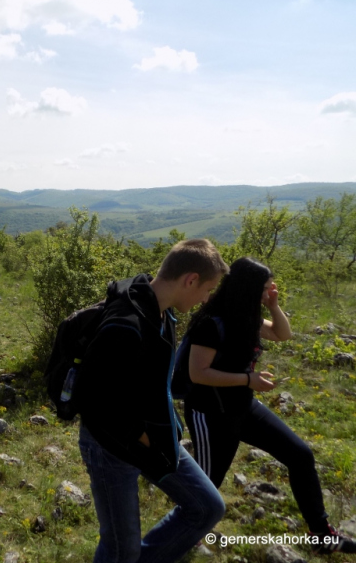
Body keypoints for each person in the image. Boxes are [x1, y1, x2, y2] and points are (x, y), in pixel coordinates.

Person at [183, 257, 356, 554]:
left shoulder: (246, 317)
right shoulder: (210, 322)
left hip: (242, 406)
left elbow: (282, 334)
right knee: (207, 483)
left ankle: (321, 534)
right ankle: (188, 536)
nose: (268, 292)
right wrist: (248, 379)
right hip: (210, 412)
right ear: (247, 289)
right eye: (264, 289)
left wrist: (274, 305)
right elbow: (198, 374)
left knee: (300, 454)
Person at [77, 239, 229, 563]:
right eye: (207, 289)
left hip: (148, 436)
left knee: (207, 507)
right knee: (122, 549)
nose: (206, 298)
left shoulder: (159, 311)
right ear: (190, 280)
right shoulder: (127, 322)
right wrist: (141, 437)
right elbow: (92, 399)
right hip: (111, 446)